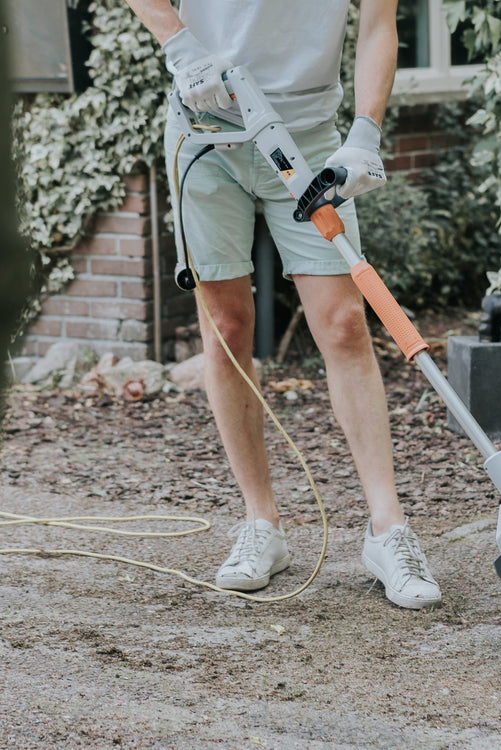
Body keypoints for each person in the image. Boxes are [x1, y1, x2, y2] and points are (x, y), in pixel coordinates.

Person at [125, 0, 442, 609]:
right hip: (205, 133)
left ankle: (388, 529)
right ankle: (261, 525)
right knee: (226, 326)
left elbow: (379, 23)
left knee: (346, 323)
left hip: (307, 137)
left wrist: (365, 135)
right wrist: (179, 43)